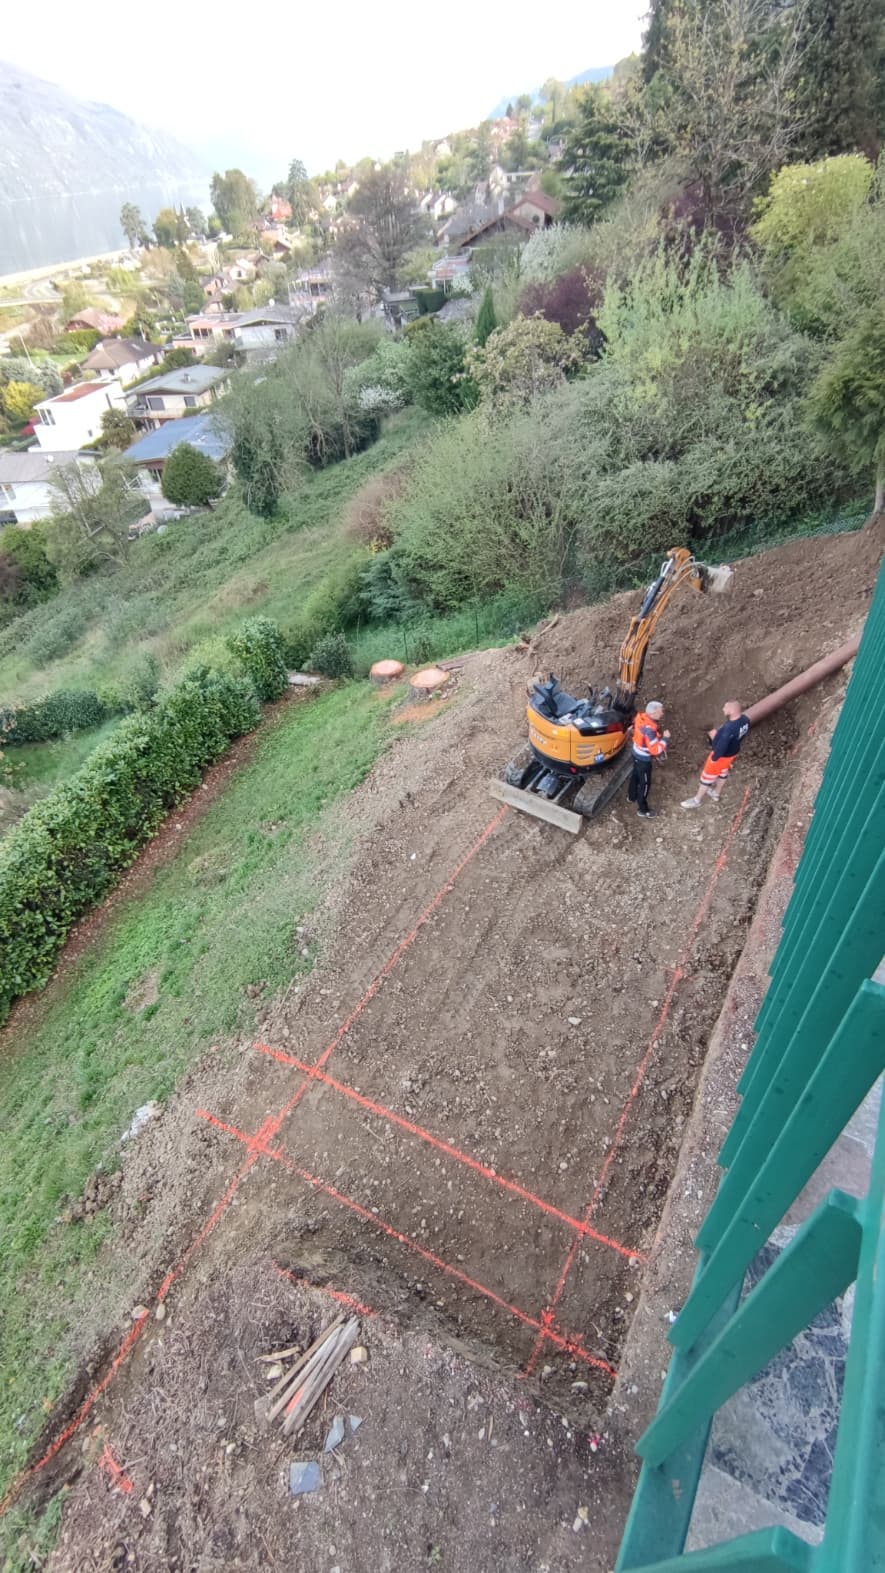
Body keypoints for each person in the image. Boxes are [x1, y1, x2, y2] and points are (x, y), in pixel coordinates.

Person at [682, 700, 750, 808]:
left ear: (732, 711)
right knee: (723, 773)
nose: (723, 709)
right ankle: (716, 793)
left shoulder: (729, 729)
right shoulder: (745, 720)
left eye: (725, 707)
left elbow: (721, 746)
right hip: (732, 754)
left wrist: (714, 758)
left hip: (721, 757)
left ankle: (697, 800)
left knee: (706, 778)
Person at [628, 700, 670, 819]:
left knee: (635, 775)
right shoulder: (650, 731)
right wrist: (665, 739)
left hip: (635, 753)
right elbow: (655, 750)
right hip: (643, 759)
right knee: (645, 784)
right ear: (654, 712)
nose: (662, 713)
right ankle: (643, 809)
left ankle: (631, 796)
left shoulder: (641, 718)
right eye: (661, 711)